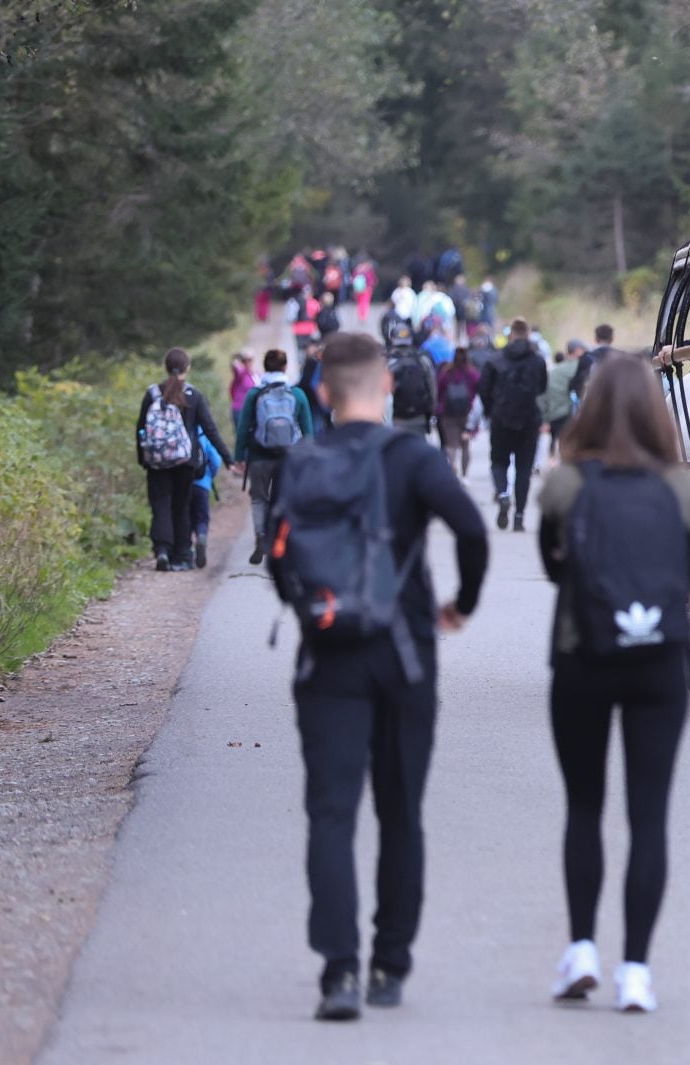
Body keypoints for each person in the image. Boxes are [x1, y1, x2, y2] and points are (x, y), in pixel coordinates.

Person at [267, 331, 489, 1022]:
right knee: (401, 811)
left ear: (323, 394)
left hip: (328, 658)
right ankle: (390, 963)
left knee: (331, 812)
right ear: (385, 386)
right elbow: (472, 532)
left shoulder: (302, 460)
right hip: (404, 656)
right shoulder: (413, 457)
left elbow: (278, 557)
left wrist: (316, 610)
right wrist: (461, 603)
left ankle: (339, 972)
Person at [536, 352, 690, 1014]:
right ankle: (636, 969)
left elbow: (555, 570)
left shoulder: (567, 483)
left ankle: (581, 948)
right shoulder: (683, 489)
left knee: (584, 806)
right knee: (649, 816)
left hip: (583, 655)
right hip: (660, 662)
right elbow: (688, 573)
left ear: (591, 405)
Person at [135, 347, 234, 571]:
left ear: (166, 366)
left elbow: (140, 428)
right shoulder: (193, 395)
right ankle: (181, 555)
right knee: (181, 507)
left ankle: (162, 551)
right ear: (187, 368)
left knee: (160, 505)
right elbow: (210, 430)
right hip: (185, 461)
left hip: (156, 461)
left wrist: (144, 459)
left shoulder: (152, 394)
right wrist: (228, 460)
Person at [235, 349, 314, 564]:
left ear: (265, 366)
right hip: (288, 458)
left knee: (259, 499)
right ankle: (281, 542)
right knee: (286, 499)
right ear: (285, 367)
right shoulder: (297, 394)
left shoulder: (255, 394)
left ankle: (261, 536)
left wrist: (239, 456)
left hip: (260, 456)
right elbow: (308, 430)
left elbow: (243, 428)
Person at [478, 317, 549, 532]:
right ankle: (519, 516)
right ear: (528, 334)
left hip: (501, 418)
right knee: (524, 469)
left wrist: (491, 411)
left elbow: (483, 390)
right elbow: (542, 388)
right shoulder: (537, 360)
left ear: (510, 335)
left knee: (498, 462)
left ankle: (502, 494)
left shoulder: (494, 359)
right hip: (528, 419)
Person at [436, 347, 480, 478]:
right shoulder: (473, 373)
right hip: (467, 414)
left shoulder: (446, 372)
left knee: (451, 445)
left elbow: (438, 390)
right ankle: (465, 475)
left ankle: (452, 470)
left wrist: (438, 408)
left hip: (448, 414)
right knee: (465, 446)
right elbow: (480, 389)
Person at [387, 337, 437, 438]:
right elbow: (432, 389)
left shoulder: (389, 363)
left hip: (396, 418)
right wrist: (431, 412)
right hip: (419, 417)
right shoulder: (422, 361)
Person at [540, 341, 581, 460]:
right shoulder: (584, 368)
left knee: (555, 440)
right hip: (575, 414)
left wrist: (545, 417)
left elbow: (544, 395)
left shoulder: (554, 372)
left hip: (557, 413)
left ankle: (553, 463)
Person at [190, 426, 221, 569]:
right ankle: (201, 536)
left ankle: (187, 548)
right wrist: (209, 476)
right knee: (202, 517)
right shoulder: (204, 434)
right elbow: (215, 461)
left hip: (184, 485)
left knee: (185, 517)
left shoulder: (181, 429)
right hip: (203, 485)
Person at [229, 349, 259, 424]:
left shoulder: (255, 375)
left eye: (250, 360)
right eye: (245, 360)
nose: (248, 363)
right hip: (240, 409)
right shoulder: (241, 374)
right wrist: (237, 357)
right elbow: (235, 366)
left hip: (253, 410)